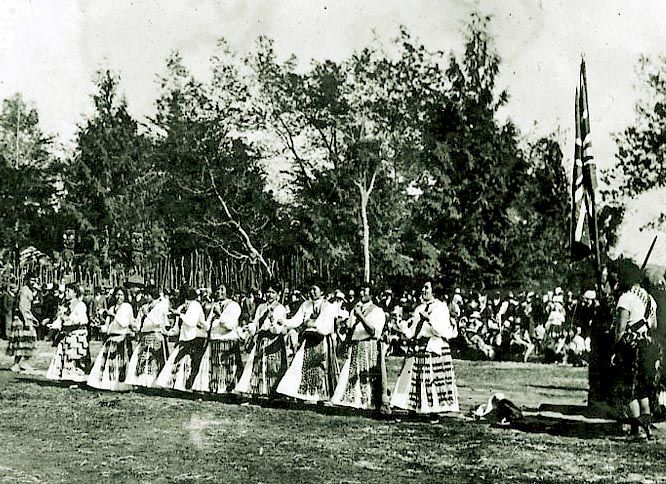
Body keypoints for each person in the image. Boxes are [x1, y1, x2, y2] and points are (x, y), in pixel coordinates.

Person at [391, 281, 459, 417]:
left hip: (434, 346)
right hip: (419, 347)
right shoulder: (419, 309)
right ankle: (415, 408)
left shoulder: (441, 308)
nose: (423, 290)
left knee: (432, 380)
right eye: (422, 287)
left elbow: (441, 331)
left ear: (434, 290)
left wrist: (429, 320)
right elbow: (413, 332)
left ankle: (434, 412)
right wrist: (402, 327)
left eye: (426, 287)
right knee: (415, 378)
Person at [611, 259, 660, 440]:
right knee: (643, 390)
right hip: (647, 346)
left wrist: (616, 350)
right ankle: (646, 429)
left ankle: (636, 430)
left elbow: (620, 328)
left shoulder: (626, 298)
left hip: (630, 348)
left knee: (628, 389)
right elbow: (653, 325)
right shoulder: (649, 298)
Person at [276, 284, 340, 403]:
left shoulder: (328, 306)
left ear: (322, 292)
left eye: (314, 289)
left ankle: (323, 396)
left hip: (322, 340)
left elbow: (324, 327)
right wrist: (284, 322)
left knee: (321, 368)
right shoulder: (306, 305)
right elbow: (297, 320)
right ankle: (304, 394)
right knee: (300, 366)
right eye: (310, 290)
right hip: (309, 339)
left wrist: (310, 323)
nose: (311, 292)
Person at [331, 285, 387, 412]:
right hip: (356, 345)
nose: (361, 293)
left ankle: (368, 402)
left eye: (364, 291)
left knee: (367, 375)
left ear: (371, 295)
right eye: (360, 291)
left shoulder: (377, 311)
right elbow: (350, 327)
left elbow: (373, 331)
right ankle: (354, 401)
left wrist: (360, 316)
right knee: (352, 374)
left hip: (369, 346)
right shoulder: (356, 309)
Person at [235, 283, 288, 398]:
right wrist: (249, 328)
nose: (270, 295)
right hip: (261, 338)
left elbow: (279, 327)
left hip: (273, 340)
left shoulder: (280, 308)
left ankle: (272, 392)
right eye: (268, 292)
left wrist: (271, 318)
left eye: (273, 292)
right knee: (257, 364)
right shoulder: (261, 307)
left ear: (278, 294)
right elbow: (256, 322)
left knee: (273, 366)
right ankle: (258, 390)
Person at [155, 286, 209, 391]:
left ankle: (187, 386)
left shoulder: (195, 305)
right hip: (184, 339)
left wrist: (179, 314)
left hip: (196, 338)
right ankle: (178, 386)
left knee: (190, 363)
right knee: (177, 361)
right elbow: (178, 326)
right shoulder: (182, 307)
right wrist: (169, 332)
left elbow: (191, 322)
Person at [192, 285, 242, 394]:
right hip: (214, 340)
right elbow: (208, 324)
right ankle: (214, 388)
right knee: (214, 367)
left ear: (228, 292)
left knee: (227, 367)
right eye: (218, 289)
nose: (219, 291)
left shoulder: (234, 306)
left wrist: (220, 314)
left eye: (222, 289)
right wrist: (199, 323)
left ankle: (228, 389)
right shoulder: (214, 305)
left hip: (228, 341)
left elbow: (230, 326)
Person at [87, 287, 135, 391]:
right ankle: (108, 384)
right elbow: (108, 325)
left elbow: (124, 323)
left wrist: (113, 315)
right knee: (108, 363)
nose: (119, 297)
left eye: (121, 295)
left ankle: (122, 385)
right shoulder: (112, 307)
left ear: (125, 296)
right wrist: (99, 325)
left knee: (121, 362)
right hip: (111, 338)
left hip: (122, 338)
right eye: (117, 294)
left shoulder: (127, 307)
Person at [124, 286, 171, 387]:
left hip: (155, 335)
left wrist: (148, 314)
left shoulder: (160, 306)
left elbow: (158, 322)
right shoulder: (145, 306)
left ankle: (153, 383)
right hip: (145, 335)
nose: (146, 297)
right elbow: (139, 320)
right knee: (141, 359)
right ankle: (141, 382)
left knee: (153, 360)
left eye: (147, 295)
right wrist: (135, 326)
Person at [46, 282, 91, 383]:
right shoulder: (65, 305)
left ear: (75, 293)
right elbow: (60, 319)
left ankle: (77, 379)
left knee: (75, 356)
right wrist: (53, 325)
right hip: (67, 333)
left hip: (77, 333)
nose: (66, 293)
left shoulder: (80, 305)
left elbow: (82, 320)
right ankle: (67, 377)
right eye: (66, 290)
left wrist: (68, 317)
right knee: (66, 355)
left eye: (68, 291)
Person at [6, 272, 39, 372]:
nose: (33, 282)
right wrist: (26, 321)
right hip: (21, 319)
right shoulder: (24, 290)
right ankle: (17, 364)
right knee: (22, 342)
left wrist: (32, 318)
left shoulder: (28, 290)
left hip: (26, 317)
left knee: (28, 341)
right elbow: (21, 306)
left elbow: (27, 307)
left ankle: (23, 363)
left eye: (35, 280)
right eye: (32, 280)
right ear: (27, 280)